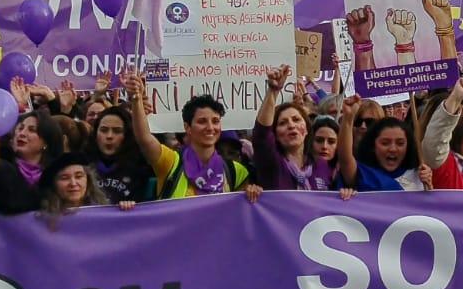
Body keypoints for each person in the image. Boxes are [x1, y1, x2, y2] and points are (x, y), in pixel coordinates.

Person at [123, 72, 258, 201]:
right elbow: (144, 138)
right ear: (187, 127)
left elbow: (243, 212)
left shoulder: (236, 172)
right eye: (202, 121)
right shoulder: (171, 162)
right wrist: (137, 100)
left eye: (215, 121)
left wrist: (253, 192)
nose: (210, 127)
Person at [253, 66, 335, 191]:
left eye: (296, 119)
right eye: (282, 123)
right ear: (275, 134)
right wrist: (273, 91)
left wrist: (347, 193)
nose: (291, 125)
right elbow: (261, 134)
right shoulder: (273, 163)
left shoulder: (321, 165)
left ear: (307, 129)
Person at [339, 96, 429, 192]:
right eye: (385, 143)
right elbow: (345, 159)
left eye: (400, 143)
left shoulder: (419, 173)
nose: (392, 149)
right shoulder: (365, 173)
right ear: (374, 145)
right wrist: (348, 118)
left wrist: (429, 187)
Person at [0, 111, 65, 215]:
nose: (22, 133)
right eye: (20, 128)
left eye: (32, 130)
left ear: (46, 142)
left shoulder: (57, 173)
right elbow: (10, 203)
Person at [37, 153, 135, 228]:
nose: (73, 183)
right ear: (54, 184)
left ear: (88, 181)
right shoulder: (42, 220)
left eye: (79, 176)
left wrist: (126, 211)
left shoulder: (105, 214)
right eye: (64, 178)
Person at [88, 106, 153, 203]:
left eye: (117, 131)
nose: (109, 136)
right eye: (104, 130)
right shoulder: (83, 164)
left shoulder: (141, 167)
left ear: (127, 135)